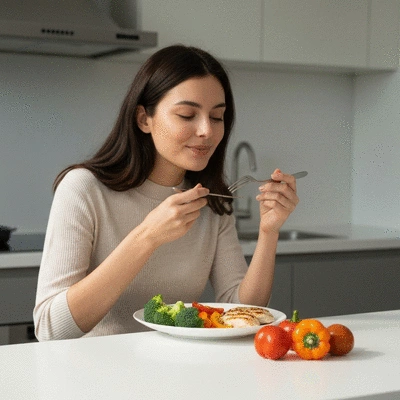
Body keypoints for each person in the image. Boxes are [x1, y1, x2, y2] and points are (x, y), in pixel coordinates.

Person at [33, 44, 299, 341]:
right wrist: (147, 236)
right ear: (144, 119)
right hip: (93, 376)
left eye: (216, 117)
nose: (206, 131)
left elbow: (242, 311)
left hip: (178, 373)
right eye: (187, 115)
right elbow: (50, 329)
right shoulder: (83, 188)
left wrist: (269, 232)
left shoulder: (210, 202)